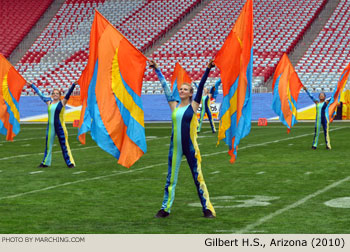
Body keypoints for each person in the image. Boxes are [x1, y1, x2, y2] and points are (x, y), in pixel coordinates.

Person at [149, 60, 216, 218]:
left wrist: (207, 69)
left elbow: (200, 88)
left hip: (191, 147)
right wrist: (157, 70)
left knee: (198, 178)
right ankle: (165, 208)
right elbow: (166, 88)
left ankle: (207, 208)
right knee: (171, 179)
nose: (182, 91)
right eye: (180, 89)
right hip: (175, 148)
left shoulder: (193, 106)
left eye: (185, 89)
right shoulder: (174, 105)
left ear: (191, 93)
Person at [29, 82, 77, 167]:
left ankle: (70, 163)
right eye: (54, 93)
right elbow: (40, 94)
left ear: (59, 95)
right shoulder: (49, 102)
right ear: (52, 95)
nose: (55, 95)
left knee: (64, 145)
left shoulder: (62, 102)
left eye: (57, 94)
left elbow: (68, 94)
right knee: (48, 145)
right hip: (50, 127)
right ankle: (45, 163)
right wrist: (32, 86)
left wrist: (73, 85)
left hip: (60, 127)